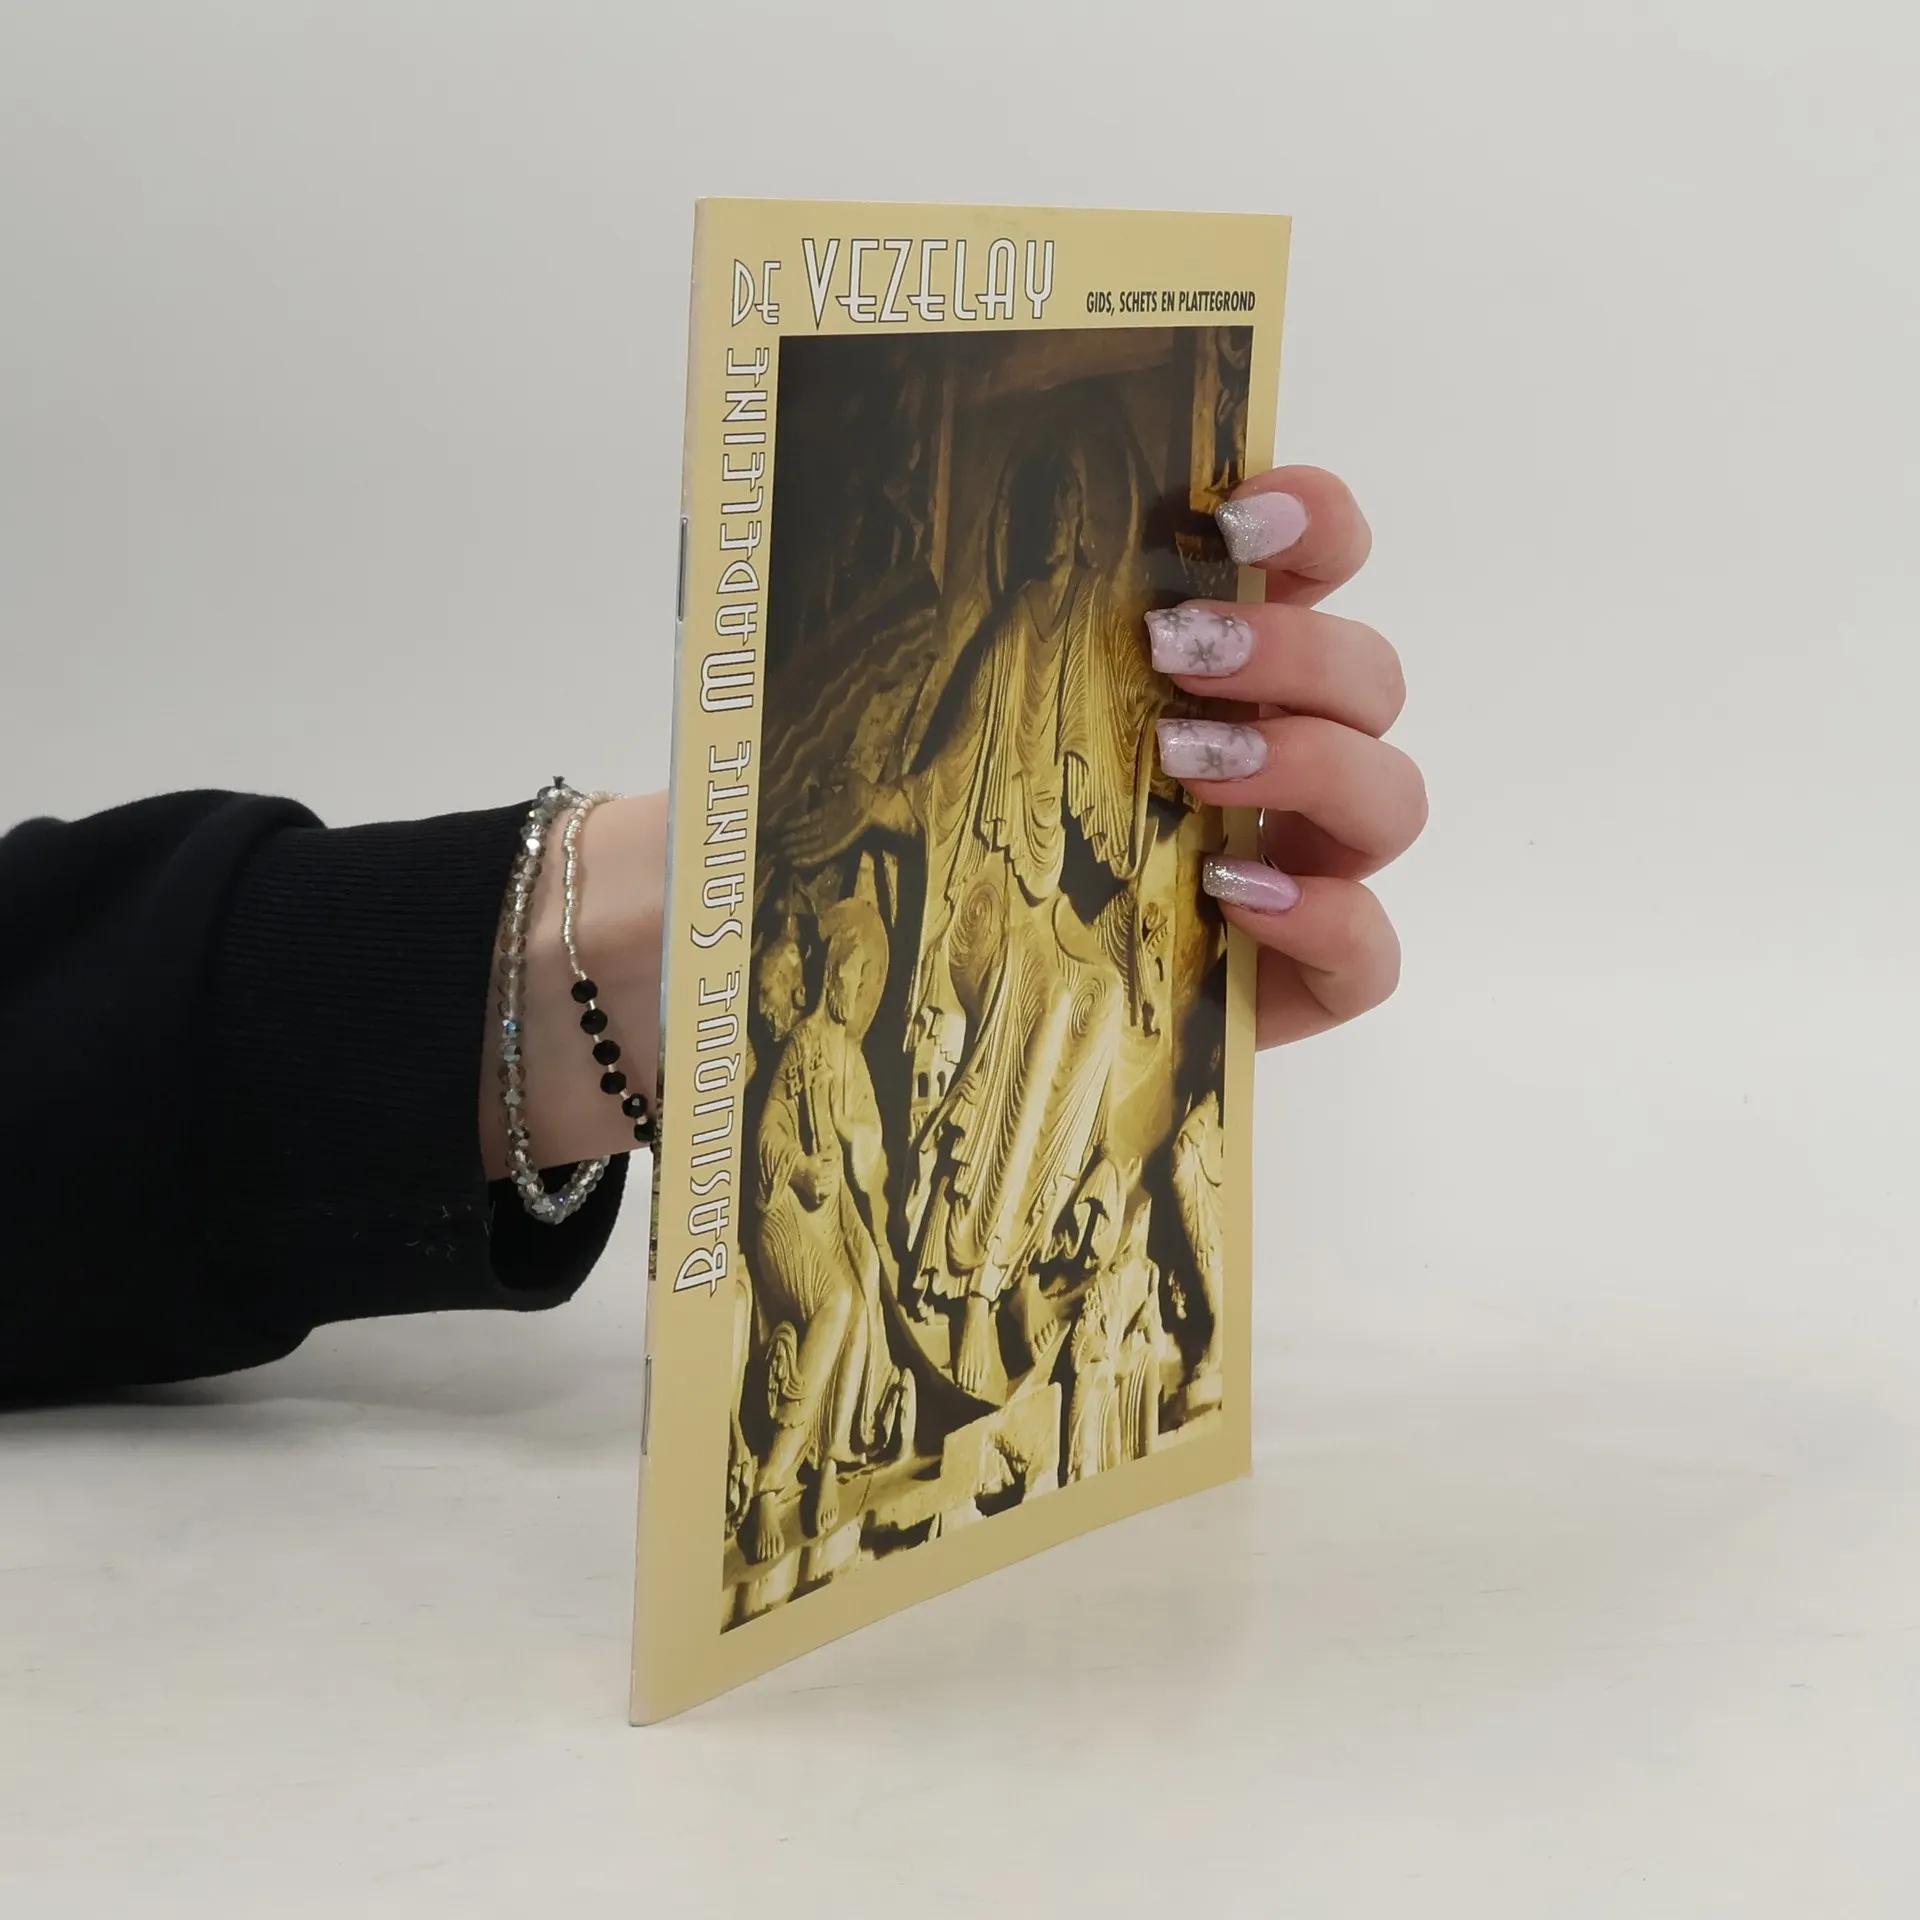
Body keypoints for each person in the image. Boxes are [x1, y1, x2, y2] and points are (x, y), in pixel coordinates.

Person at [0, 468, 1426, 1396]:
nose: (1054, 550)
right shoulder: (996, 645)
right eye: (1043, 527)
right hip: (967, 918)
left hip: (1048, 917)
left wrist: (622, 944)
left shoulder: (1084, 650)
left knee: (1060, 1053)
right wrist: (824, 859)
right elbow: (940, 775)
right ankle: (960, 1284)